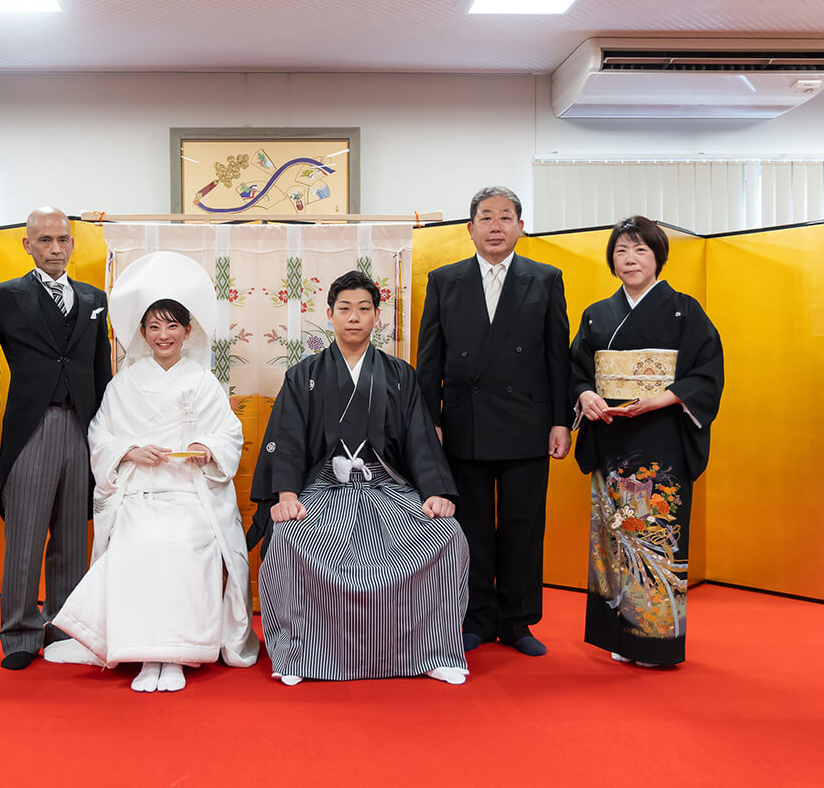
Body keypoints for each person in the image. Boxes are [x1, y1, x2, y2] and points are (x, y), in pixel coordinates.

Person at [44, 251, 258, 692]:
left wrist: (207, 448)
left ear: (188, 331)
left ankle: (176, 655)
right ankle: (145, 653)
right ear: (142, 332)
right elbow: (100, 434)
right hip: (139, 493)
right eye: (154, 327)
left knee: (183, 544)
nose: (164, 335)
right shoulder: (124, 382)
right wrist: (129, 451)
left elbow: (229, 433)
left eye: (172, 326)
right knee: (137, 542)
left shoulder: (203, 381)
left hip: (191, 495)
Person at [249, 270, 468, 686]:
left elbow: (420, 439)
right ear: (330, 314)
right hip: (324, 489)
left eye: (364, 309)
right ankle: (300, 653)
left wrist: (436, 491)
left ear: (377, 316)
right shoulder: (304, 374)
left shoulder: (400, 374)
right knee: (287, 538)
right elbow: (288, 438)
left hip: (385, 487)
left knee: (447, 535)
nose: (354, 317)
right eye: (345, 308)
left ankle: (433, 649)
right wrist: (287, 494)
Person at [416, 186, 572, 657]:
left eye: (506, 217)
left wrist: (560, 421)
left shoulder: (544, 279)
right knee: (472, 526)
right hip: (465, 422)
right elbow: (430, 358)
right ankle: (477, 618)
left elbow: (557, 356)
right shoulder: (445, 280)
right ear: (470, 228)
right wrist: (430, 420)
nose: (496, 226)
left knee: (524, 526)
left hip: (528, 420)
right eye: (486, 217)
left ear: (521, 227)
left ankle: (517, 621)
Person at [570, 215, 723, 667]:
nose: (630, 258)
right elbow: (576, 368)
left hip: (661, 437)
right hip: (610, 436)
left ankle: (655, 641)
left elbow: (707, 371)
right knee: (614, 535)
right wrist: (586, 395)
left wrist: (662, 399)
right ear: (611, 261)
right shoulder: (596, 314)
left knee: (655, 534)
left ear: (658, 257)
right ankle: (619, 634)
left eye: (640, 249)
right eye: (621, 251)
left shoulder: (685, 310)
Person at [0, 207, 112, 670]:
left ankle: (65, 628)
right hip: (31, 427)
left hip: (82, 426)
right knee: (26, 534)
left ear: (73, 243)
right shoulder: (4, 297)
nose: (56, 249)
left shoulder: (93, 298)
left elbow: (100, 369)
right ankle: (20, 634)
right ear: (28, 244)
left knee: (72, 536)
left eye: (63, 240)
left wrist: (105, 430)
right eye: (45, 240)